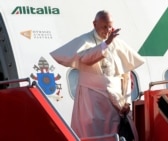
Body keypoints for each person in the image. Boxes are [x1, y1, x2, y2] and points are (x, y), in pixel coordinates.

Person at [50, 10, 145, 141]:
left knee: (116, 135)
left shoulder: (117, 43)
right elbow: (85, 58)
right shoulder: (85, 40)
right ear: (95, 24)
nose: (108, 30)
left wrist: (126, 102)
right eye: (104, 27)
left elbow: (125, 76)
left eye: (110, 26)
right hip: (92, 103)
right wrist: (106, 44)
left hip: (115, 105)